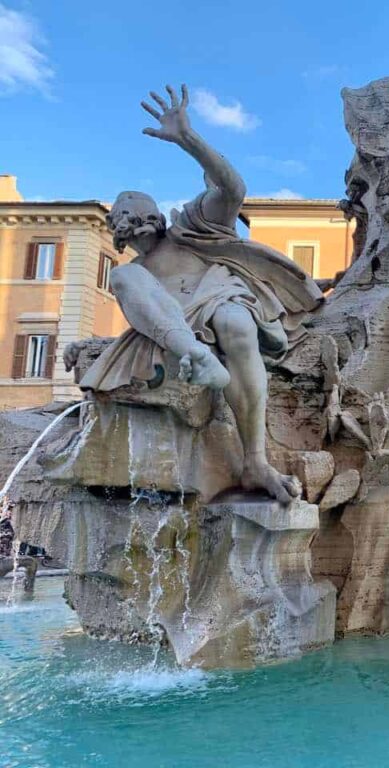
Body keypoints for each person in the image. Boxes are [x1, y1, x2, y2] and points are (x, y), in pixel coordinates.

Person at [70, 85, 323, 504]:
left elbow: (232, 189)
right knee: (125, 279)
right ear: (117, 228)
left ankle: (255, 461)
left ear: (157, 215)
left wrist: (187, 138)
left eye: (143, 209)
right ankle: (199, 356)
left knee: (235, 320)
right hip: (175, 336)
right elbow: (136, 318)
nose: (136, 217)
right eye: (125, 214)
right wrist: (86, 345)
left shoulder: (192, 229)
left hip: (221, 307)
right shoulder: (133, 276)